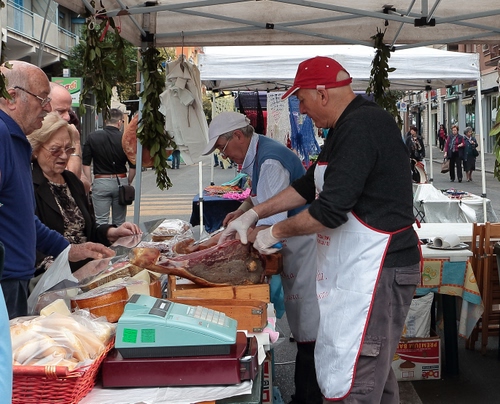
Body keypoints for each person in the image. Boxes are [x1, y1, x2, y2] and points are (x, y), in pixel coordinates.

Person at [219, 56, 420, 403]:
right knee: (370, 372)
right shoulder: (343, 129)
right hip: (360, 268)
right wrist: (253, 214)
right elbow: (307, 185)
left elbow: (330, 210)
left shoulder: (363, 126)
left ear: (323, 94)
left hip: (380, 271)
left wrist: (274, 232)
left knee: (357, 377)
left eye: (302, 99)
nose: (301, 110)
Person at [202, 112, 322, 404]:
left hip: (302, 245)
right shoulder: (258, 153)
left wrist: (232, 237)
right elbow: (260, 198)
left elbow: (273, 223)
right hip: (292, 242)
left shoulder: (269, 161)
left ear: (238, 136)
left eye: (222, 147)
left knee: (309, 329)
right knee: (301, 325)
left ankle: (309, 397)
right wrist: (241, 212)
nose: (224, 155)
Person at [0, 61, 114, 319]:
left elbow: (22, 218)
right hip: (6, 281)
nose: (48, 108)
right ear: (12, 97)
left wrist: (68, 249)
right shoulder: (2, 135)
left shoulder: (16, 140)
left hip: (14, 280)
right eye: (42, 99)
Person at [28, 112, 141, 272]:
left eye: (68, 149)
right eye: (55, 150)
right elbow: (28, 241)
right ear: (36, 149)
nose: (64, 156)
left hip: (88, 268)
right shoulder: (28, 184)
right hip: (54, 273)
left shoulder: (72, 181)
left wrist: (113, 232)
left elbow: (90, 231)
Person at [82, 108, 136, 226]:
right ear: (120, 122)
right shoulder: (125, 139)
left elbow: (86, 163)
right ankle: (119, 238)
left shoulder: (92, 137)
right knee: (120, 222)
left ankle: (102, 238)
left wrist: (90, 183)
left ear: (106, 121)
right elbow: (133, 165)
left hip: (100, 181)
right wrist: (128, 181)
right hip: (121, 181)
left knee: (101, 221)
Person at [49, 82, 91, 193]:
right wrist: (75, 144)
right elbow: (73, 183)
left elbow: (84, 185)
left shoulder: (70, 125)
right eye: (60, 111)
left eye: (68, 111)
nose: (67, 117)